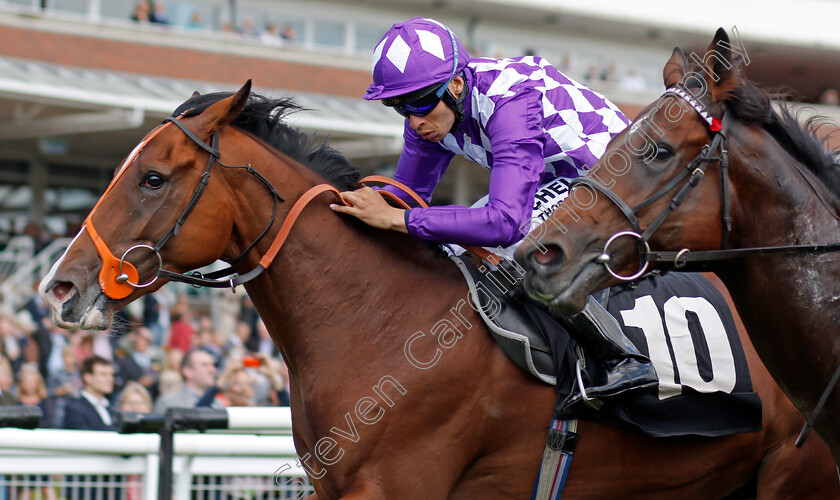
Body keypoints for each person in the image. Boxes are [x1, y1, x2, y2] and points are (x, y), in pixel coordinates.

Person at [331, 17, 655, 403]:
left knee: (517, 245)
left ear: (454, 85)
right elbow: (408, 198)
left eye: (418, 102)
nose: (414, 120)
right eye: (398, 106)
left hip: (614, 178)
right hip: (553, 181)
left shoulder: (510, 102)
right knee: (445, 246)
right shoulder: (432, 114)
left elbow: (504, 223)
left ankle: (622, 357)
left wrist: (397, 218)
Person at [153, 348, 217, 413]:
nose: (212, 370)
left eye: (213, 365)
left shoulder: (218, 404)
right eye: (205, 365)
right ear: (188, 372)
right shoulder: (168, 403)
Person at [63, 355, 116, 430]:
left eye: (111, 374)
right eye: (103, 374)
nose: (110, 379)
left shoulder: (111, 408)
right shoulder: (75, 409)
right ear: (87, 377)